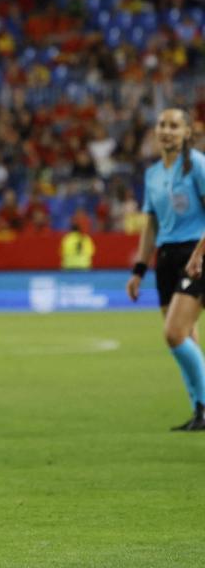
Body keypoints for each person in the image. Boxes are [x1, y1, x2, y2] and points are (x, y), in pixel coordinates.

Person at [126, 108, 205, 432]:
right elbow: (152, 224)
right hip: (167, 258)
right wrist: (139, 269)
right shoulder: (153, 173)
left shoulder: (197, 164)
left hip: (195, 254)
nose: (167, 131)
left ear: (187, 132)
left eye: (174, 126)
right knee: (185, 338)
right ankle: (199, 411)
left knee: (173, 334)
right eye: (162, 125)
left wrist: (200, 254)